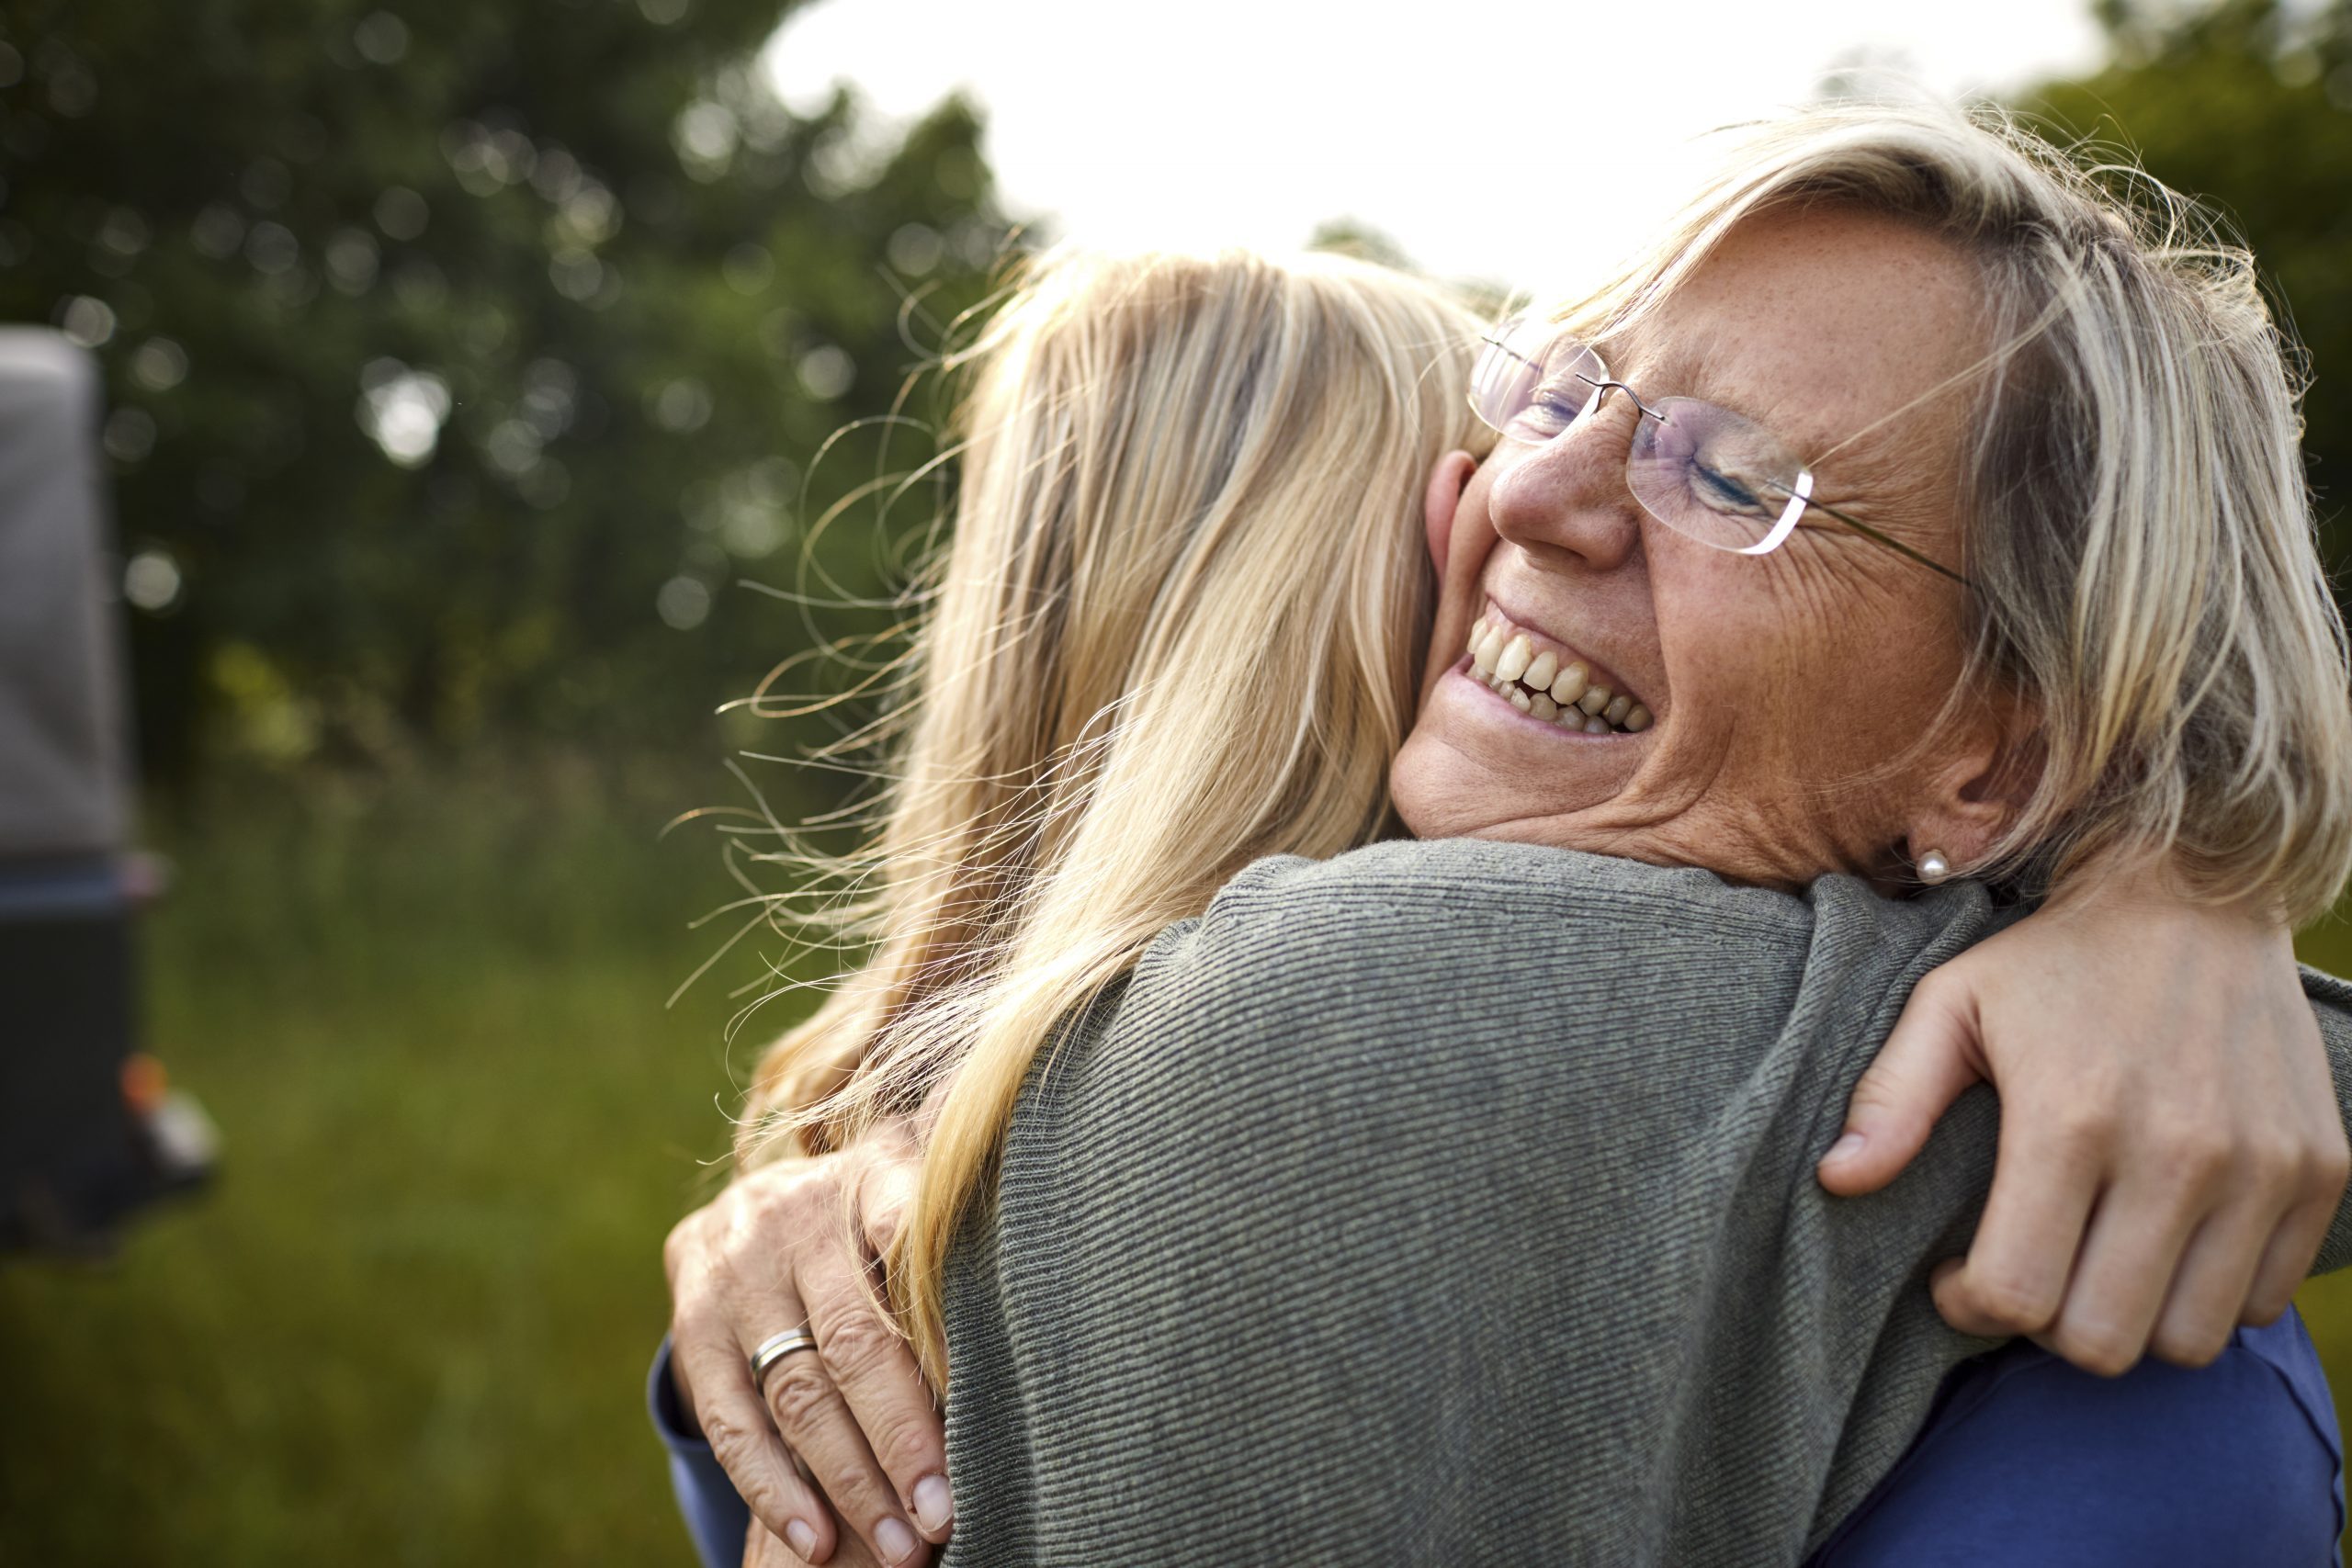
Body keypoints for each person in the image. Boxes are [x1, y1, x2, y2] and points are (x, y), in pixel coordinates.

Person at [663, 102, 2352, 1568]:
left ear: (1994, 763)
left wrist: (2189, 887)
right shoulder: (1238, 1023)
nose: (1532, 496)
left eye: (1737, 481)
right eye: (1562, 390)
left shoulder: (2152, 1418)